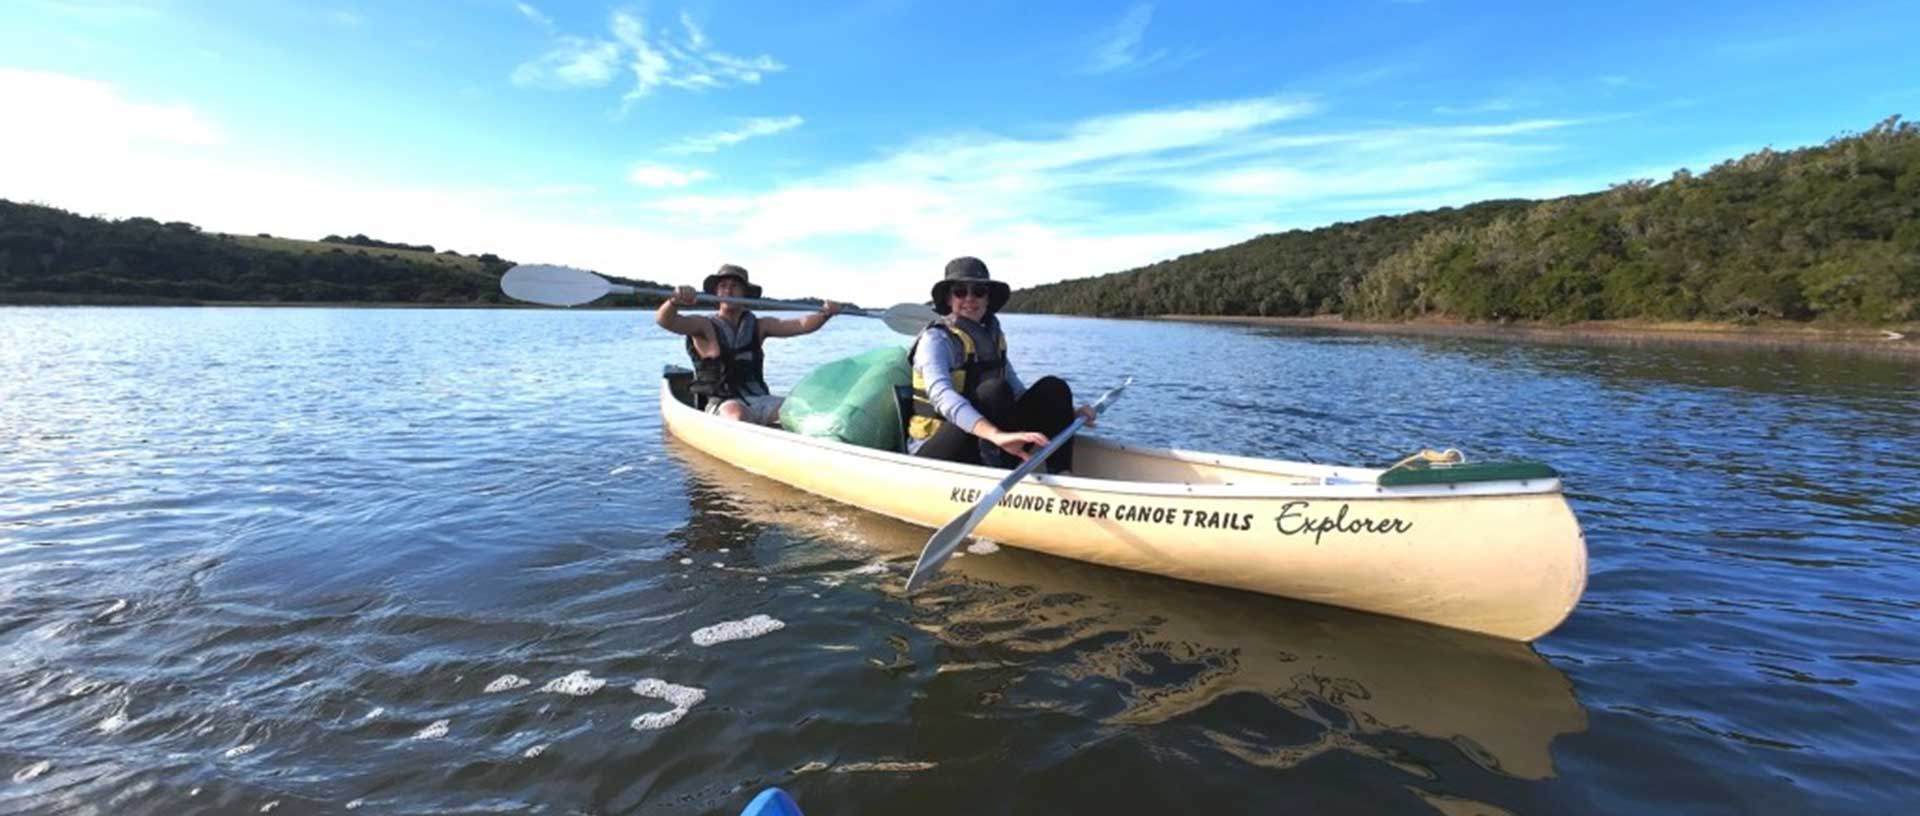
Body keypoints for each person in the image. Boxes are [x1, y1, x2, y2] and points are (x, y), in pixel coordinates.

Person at [907, 256, 1095, 471]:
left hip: (989, 445)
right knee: (993, 390)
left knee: (1054, 388)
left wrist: (1069, 413)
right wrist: (995, 435)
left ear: (988, 298)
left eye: (979, 291)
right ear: (949, 299)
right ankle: (994, 467)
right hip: (937, 451)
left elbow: (1018, 393)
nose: (970, 298)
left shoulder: (992, 338)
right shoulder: (936, 340)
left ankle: (1062, 473)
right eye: (960, 291)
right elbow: (941, 396)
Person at [656, 264, 840, 425]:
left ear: (744, 293)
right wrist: (673, 301)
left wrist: (825, 314)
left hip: (759, 398)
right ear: (717, 293)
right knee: (737, 414)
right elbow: (666, 321)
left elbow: (800, 325)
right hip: (721, 403)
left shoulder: (760, 326)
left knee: (801, 410)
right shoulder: (703, 325)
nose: (728, 291)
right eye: (723, 286)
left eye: (735, 286)